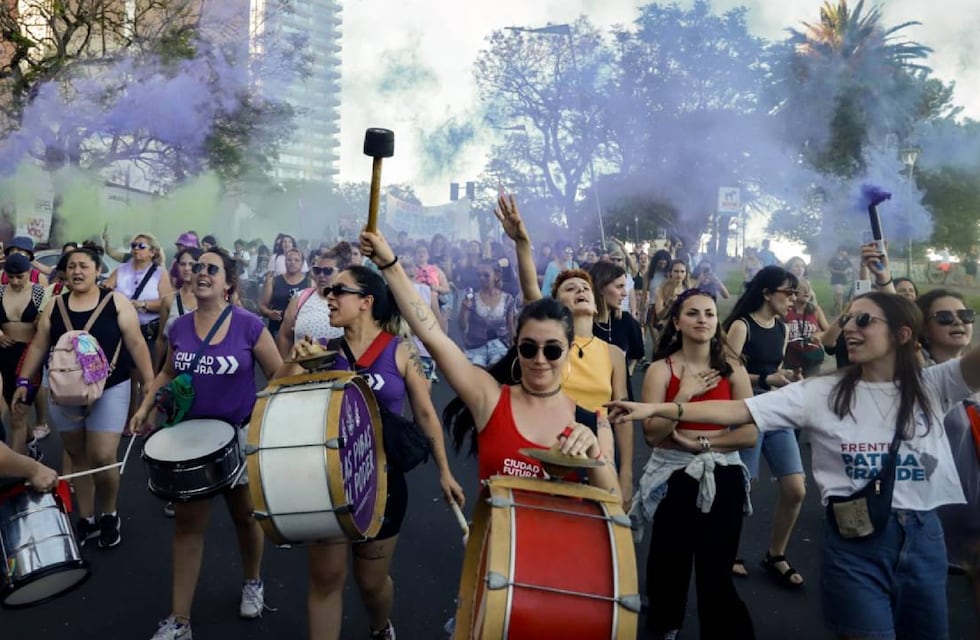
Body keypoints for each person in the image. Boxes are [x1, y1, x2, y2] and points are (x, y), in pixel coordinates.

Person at [607, 284, 976, 640]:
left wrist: (887, 285)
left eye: (863, 321)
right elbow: (742, 410)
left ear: (902, 333)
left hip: (924, 538)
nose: (848, 328)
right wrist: (659, 407)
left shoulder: (934, 385)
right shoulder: (822, 391)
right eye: (848, 319)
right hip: (856, 539)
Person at [358, 229, 619, 488]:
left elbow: (614, 500)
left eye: (552, 350)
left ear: (569, 349)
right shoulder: (490, 398)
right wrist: (389, 264)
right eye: (529, 349)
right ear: (516, 346)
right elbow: (432, 334)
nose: (540, 359)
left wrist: (594, 450)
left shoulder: (594, 423)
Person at [284, 263, 463, 640]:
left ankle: (380, 627)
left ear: (366, 301)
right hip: (327, 483)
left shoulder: (400, 351)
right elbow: (275, 401)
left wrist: (445, 472)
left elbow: (426, 413)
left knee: (370, 582)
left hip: (381, 484)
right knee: (326, 578)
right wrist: (293, 365)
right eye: (328, 290)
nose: (328, 297)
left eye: (339, 291)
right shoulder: (320, 352)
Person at [131, 248, 283, 640]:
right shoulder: (179, 328)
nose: (200, 273)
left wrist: (266, 429)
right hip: (188, 441)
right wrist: (146, 406)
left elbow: (279, 378)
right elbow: (166, 371)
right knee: (187, 528)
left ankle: (253, 582)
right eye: (196, 267)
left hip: (237, 437)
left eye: (211, 269)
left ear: (229, 283)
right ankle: (179, 620)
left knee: (245, 517)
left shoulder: (249, 326)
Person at [494, 194, 633, 505]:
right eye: (571, 288)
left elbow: (621, 416)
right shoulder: (546, 346)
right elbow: (531, 289)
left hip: (596, 455)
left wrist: (625, 474)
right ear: (556, 305)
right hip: (546, 452)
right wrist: (522, 243)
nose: (581, 290)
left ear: (596, 304)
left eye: (585, 287)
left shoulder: (614, 355)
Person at [13, 247, 155, 549]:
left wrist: (150, 386)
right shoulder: (54, 306)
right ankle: (86, 519)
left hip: (110, 388)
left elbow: (137, 344)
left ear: (97, 270)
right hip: (64, 391)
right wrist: (24, 381)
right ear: (65, 272)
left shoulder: (116, 302)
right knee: (77, 456)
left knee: (103, 457)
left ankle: (109, 512)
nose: (77, 271)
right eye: (72, 266)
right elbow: (38, 346)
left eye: (84, 266)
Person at [636, 288, 757, 639]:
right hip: (674, 475)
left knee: (716, 571)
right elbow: (653, 435)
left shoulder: (733, 370)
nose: (702, 319)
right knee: (667, 566)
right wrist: (684, 395)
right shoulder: (661, 370)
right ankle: (664, 628)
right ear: (677, 322)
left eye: (709, 313)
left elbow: (749, 434)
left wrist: (702, 442)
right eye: (693, 313)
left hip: (724, 475)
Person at [723, 265, 805, 584]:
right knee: (745, 485)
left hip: (776, 407)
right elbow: (728, 370)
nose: (793, 299)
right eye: (788, 292)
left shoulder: (782, 329)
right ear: (767, 293)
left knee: (796, 488)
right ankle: (727, 550)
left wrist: (786, 379)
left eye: (795, 293)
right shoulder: (742, 326)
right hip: (748, 407)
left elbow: (777, 368)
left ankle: (776, 554)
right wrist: (764, 379)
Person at [916, 288, 980, 623]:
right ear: (924, 329)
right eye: (944, 317)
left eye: (965, 315)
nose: (958, 322)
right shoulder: (918, 381)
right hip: (936, 525)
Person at [0, 254, 46, 455]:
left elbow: (46, 328)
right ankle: (30, 442)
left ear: (29, 273)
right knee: (12, 409)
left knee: (18, 414)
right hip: (3, 354)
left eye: (20, 277)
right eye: (11, 277)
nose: (15, 281)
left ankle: (15, 471)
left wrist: (39, 321)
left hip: (29, 355)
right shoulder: (0, 291)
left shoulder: (39, 292)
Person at [105, 232, 173, 362]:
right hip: (121, 333)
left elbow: (167, 303)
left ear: (152, 252)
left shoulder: (160, 274)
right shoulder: (120, 270)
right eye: (133, 245)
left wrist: (143, 304)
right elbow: (106, 291)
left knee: (145, 374)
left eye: (141, 246)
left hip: (147, 335)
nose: (136, 248)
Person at [275, 249, 344, 359]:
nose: (321, 275)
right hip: (302, 372)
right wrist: (285, 367)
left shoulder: (349, 301)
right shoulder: (300, 298)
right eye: (317, 270)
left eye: (328, 271)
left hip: (340, 372)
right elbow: (284, 336)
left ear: (341, 273)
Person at [589, 261, 643, 383]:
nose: (624, 293)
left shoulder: (626, 321)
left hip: (620, 397)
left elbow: (636, 355)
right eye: (619, 287)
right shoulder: (583, 323)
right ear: (601, 287)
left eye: (625, 287)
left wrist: (625, 374)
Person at [459, 260, 515, 368]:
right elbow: (462, 327)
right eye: (479, 275)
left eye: (486, 275)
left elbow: (511, 327)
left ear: (497, 276)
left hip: (500, 346)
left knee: (497, 369)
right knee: (477, 371)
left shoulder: (508, 298)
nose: (481, 278)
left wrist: (514, 350)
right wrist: (464, 308)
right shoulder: (472, 298)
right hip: (476, 346)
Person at [259, 247, 310, 338]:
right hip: (277, 330)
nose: (292, 262)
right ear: (285, 262)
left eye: (296, 260)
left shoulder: (310, 283)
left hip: (302, 331)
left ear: (302, 263)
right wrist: (270, 313)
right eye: (289, 260)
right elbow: (262, 306)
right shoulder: (273, 281)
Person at [783, 279, 829, 378]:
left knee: (810, 386)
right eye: (802, 289)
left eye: (808, 289)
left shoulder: (815, 310)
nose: (807, 292)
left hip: (811, 356)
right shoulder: (786, 309)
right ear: (794, 292)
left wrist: (818, 334)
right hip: (790, 357)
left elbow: (828, 331)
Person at [828, 245, 853, 316]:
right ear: (840, 251)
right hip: (835, 279)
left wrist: (849, 271)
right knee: (840, 293)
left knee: (840, 296)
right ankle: (840, 312)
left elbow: (850, 268)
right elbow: (830, 270)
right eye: (845, 251)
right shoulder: (833, 259)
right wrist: (841, 272)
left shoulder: (846, 260)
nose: (846, 253)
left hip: (844, 279)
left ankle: (835, 307)